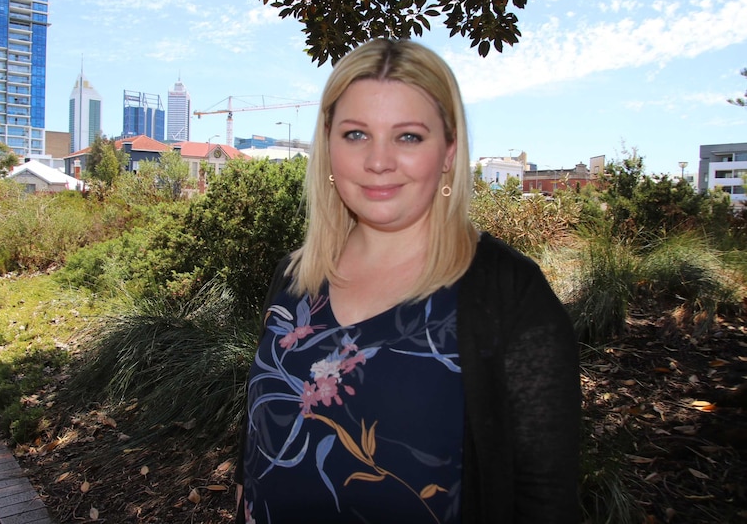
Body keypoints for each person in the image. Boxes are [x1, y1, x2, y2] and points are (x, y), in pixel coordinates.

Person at [234, 38, 580, 524]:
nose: (379, 161)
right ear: (328, 144)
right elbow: (257, 447)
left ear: (448, 151)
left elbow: (545, 499)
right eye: (356, 134)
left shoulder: (510, 295)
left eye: (409, 136)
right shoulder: (295, 278)